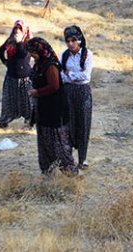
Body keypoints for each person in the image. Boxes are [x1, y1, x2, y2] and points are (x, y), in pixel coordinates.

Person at [26, 37, 77, 176]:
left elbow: (54, 86)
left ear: (41, 51)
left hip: (55, 110)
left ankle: (70, 173)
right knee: (44, 142)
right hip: (43, 109)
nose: (31, 55)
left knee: (58, 143)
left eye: (33, 52)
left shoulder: (50, 65)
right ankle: (48, 172)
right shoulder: (39, 63)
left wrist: (37, 92)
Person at [61, 25, 93, 170]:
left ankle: (83, 159)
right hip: (68, 92)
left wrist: (70, 75)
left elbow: (85, 76)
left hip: (83, 92)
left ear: (79, 40)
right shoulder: (65, 55)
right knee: (68, 123)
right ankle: (69, 158)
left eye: (73, 40)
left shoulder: (87, 55)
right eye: (67, 41)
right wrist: (69, 76)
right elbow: (61, 74)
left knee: (83, 123)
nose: (70, 44)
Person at [0, 20, 33, 129]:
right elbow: (0, 50)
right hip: (11, 76)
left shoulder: (29, 43)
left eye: (20, 29)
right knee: (9, 101)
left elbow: (23, 54)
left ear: (24, 31)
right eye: (15, 28)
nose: (17, 31)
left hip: (25, 77)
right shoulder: (10, 41)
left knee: (27, 101)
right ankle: (5, 120)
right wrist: (5, 61)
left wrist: (19, 42)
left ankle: (29, 122)